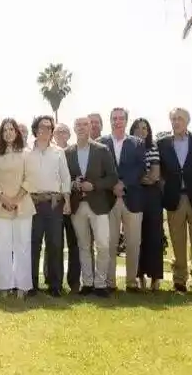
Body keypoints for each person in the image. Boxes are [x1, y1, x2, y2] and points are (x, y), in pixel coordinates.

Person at [157, 108, 192, 293]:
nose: (176, 122)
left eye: (180, 119)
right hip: (175, 198)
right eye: (173, 119)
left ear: (187, 121)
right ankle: (179, 280)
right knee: (178, 243)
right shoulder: (163, 143)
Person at [67, 116, 119, 296]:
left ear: (91, 127)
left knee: (103, 245)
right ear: (74, 128)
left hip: (99, 204)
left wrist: (94, 185)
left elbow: (112, 178)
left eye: (84, 124)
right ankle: (87, 283)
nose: (81, 127)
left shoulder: (102, 150)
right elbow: (64, 179)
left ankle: (100, 283)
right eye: (78, 125)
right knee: (83, 245)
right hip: (77, 205)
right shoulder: (68, 152)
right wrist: (74, 184)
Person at [100, 108, 149, 292]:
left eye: (121, 118)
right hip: (109, 199)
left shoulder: (137, 143)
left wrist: (123, 184)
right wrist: (113, 185)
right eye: (114, 118)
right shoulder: (101, 143)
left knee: (133, 242)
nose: (117, 121)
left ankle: (131, 282)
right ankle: (110, 282)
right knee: (110, 242)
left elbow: (140, 168)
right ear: (110, 120)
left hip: (133, 199)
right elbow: (101, 170)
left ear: (126, 121)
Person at [25, 115, 72, 297]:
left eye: (48, 128)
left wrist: (67, 201)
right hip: (33, 203)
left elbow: (65, 177)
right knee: (33, 244)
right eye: (41, 127)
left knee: (55, 244)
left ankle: (55, 285)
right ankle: (31, 285)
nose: (45, 130)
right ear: (35, 129)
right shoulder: (27, 151)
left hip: (54, 204)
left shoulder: (59, 152)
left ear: (52, 131)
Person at [0, 118, 34, 298]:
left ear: (17, 132)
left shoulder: (26, 154)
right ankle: (4, 286)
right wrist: (4, 198)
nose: (8, 132)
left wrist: (15, 200)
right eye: (5, 130)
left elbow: (29, 179)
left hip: (22, 205)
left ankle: (22, 286)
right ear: (1, 133)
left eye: (11, 129)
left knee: (22, 245)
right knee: (2, 246)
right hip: (0, 206)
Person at [129, 118, 164, 291]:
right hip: (135, 194)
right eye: (138, 128)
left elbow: (154, 175)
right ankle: (139, 275)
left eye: (145, 128)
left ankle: (155, 277)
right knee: (137, 237)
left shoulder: (153, 147)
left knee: (154, 236)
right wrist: (138, 179)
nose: (142, 131)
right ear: (132, 130)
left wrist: (139, 178)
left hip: (152, 196)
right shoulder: (129, 148)